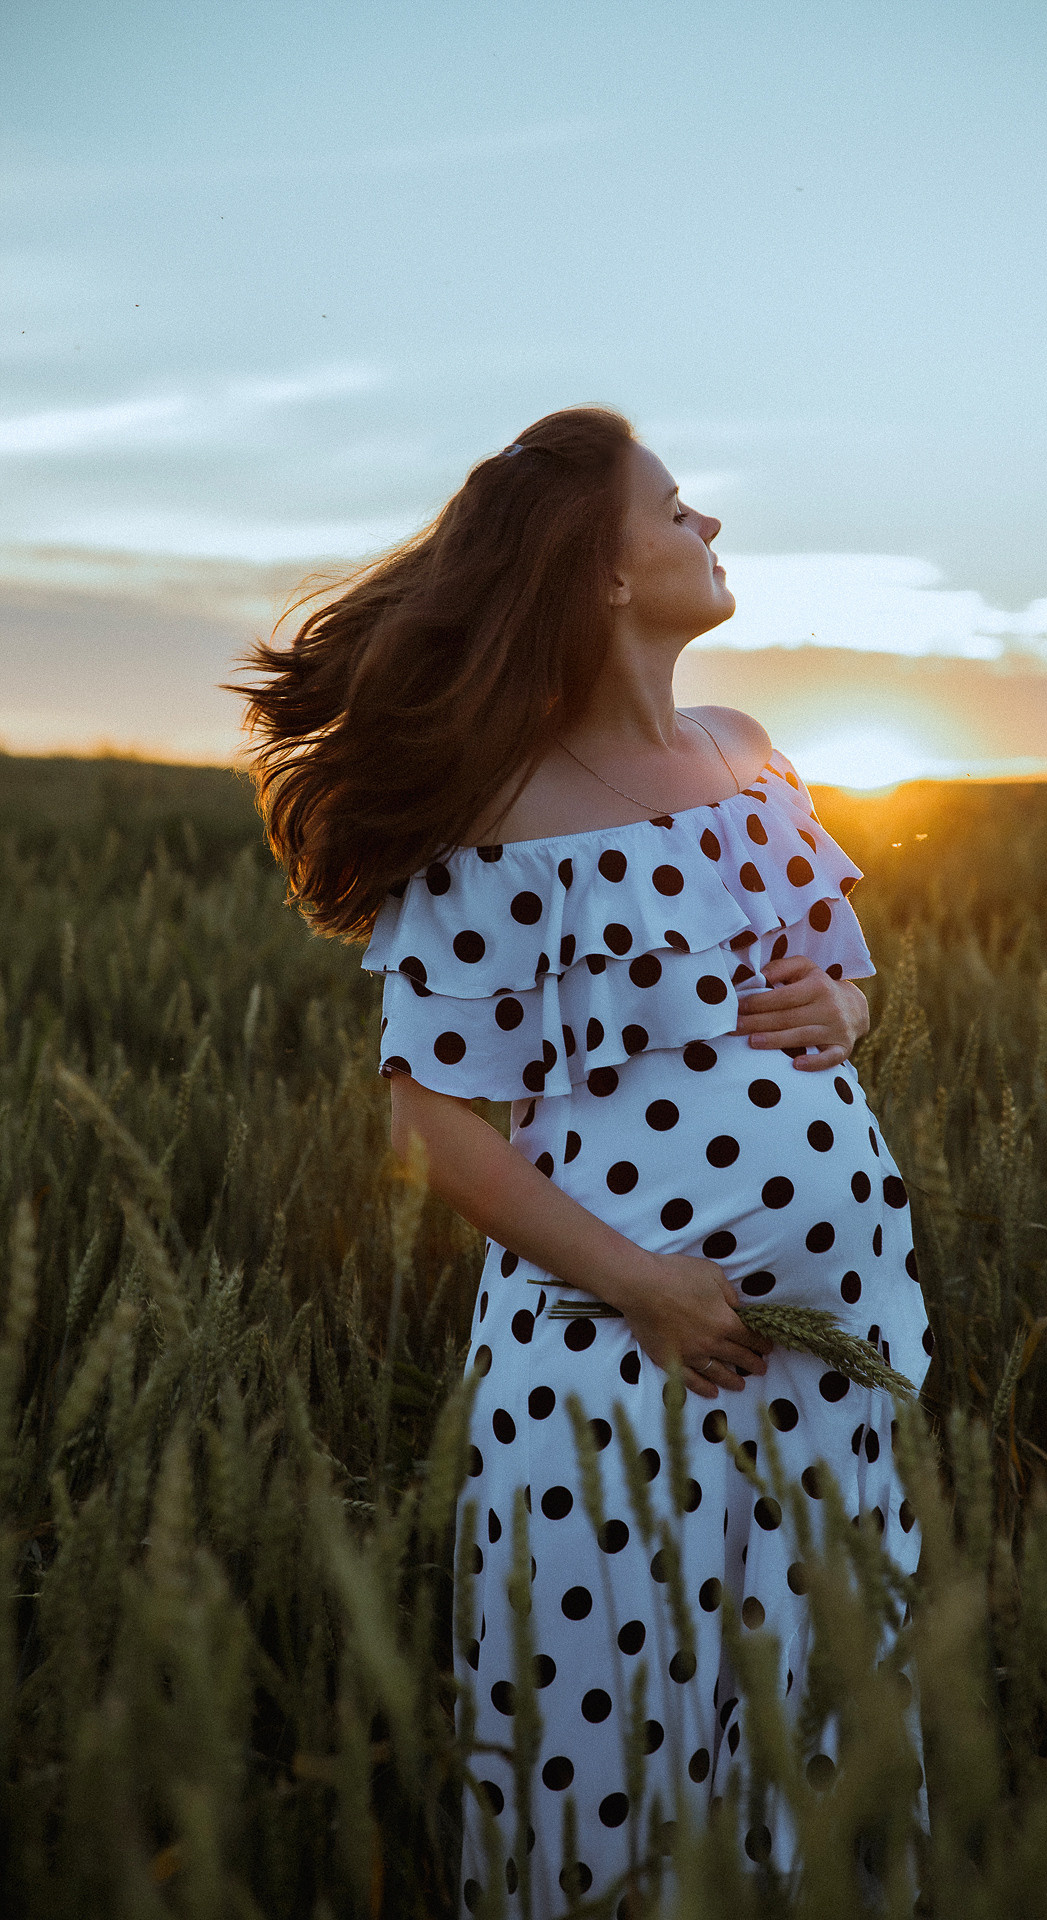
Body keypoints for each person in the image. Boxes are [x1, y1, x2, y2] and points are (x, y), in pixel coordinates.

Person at [239, 405, 931, 1916]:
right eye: (679, 510)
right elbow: (433, 1130)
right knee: (625, 1738)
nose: (711, 529)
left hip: (826, 1373)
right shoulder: (495, 819)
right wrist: (651, 1291)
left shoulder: (747, 757)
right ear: (602, 575)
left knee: (816, 1734)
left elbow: (845, 985)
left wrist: (842, 1003)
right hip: (625, 1369)